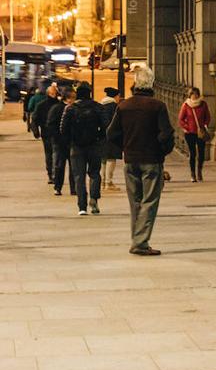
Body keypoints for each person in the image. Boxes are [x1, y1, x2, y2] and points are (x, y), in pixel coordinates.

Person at [107, 64, 174, 255]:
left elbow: (111, 133)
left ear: (136, 84)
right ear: (151, 84)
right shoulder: (157, 106)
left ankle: (137, 239)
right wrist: (161, 151)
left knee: (135, 201)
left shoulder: (123, 106)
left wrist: (125, 147)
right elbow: (166, 134)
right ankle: (140, 242)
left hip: (131, 160)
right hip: (151, 160)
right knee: (150, 201)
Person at [61, 82, 106, 216]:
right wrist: (99, 137)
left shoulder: (70, 108)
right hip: (94, 145)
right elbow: (105, 125)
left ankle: (82, 206)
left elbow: (63, 129)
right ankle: (94, 199)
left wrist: (69, 142)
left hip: (76, 147)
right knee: (94, 173)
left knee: (79, 176)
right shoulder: (98, 107)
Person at [44, 84, 72, 196]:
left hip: (64, 142)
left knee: (63, 166)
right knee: (61, 166)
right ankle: (59, 186)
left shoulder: (58, 108)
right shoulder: (59, 108)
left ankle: (64, 187)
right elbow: (51, 125)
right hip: (61, 142)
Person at [178, 86, 211, 183]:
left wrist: (205, 125)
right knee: (192, 153)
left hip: (200, 132)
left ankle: (199, 171)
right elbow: (181, 119)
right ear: (189, 95)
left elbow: (207, 117)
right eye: (192, 94)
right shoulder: (186, 105)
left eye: (196, 94)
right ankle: (193, 174)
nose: (194, 96)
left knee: (201, 153)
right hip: (190, 133)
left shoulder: (203, 104)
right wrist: (187, 128)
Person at [28, 80, 56, 184]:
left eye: (55, 93)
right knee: (50, 154)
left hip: (57, 134)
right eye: (52, 93)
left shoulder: (56, 105)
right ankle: (51, 174)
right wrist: (36, 132)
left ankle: (54, 174)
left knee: (55, 155)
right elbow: (34, 120)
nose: (54, 95)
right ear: (48, 94)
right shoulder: (42, 105)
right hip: (47, 134)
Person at [98, 87, 123, 191]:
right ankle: (109, 182)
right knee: (111, 159)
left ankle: (102, 182)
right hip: (112, 137)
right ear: (115, 96)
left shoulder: (100, 106)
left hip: (101, 136)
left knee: (103, 160)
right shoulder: (115, 107)